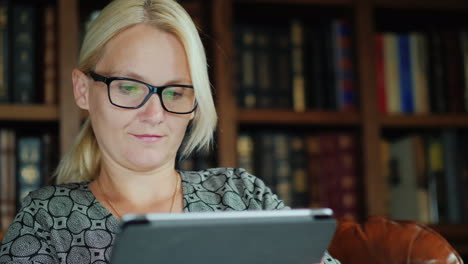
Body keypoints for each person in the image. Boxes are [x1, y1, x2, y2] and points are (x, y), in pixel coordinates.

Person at [0, 0, 340, 263]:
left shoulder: (241, 195)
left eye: (175, 92)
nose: (154, 114)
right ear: (83, 89)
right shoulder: (46, 218)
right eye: (129, 87)